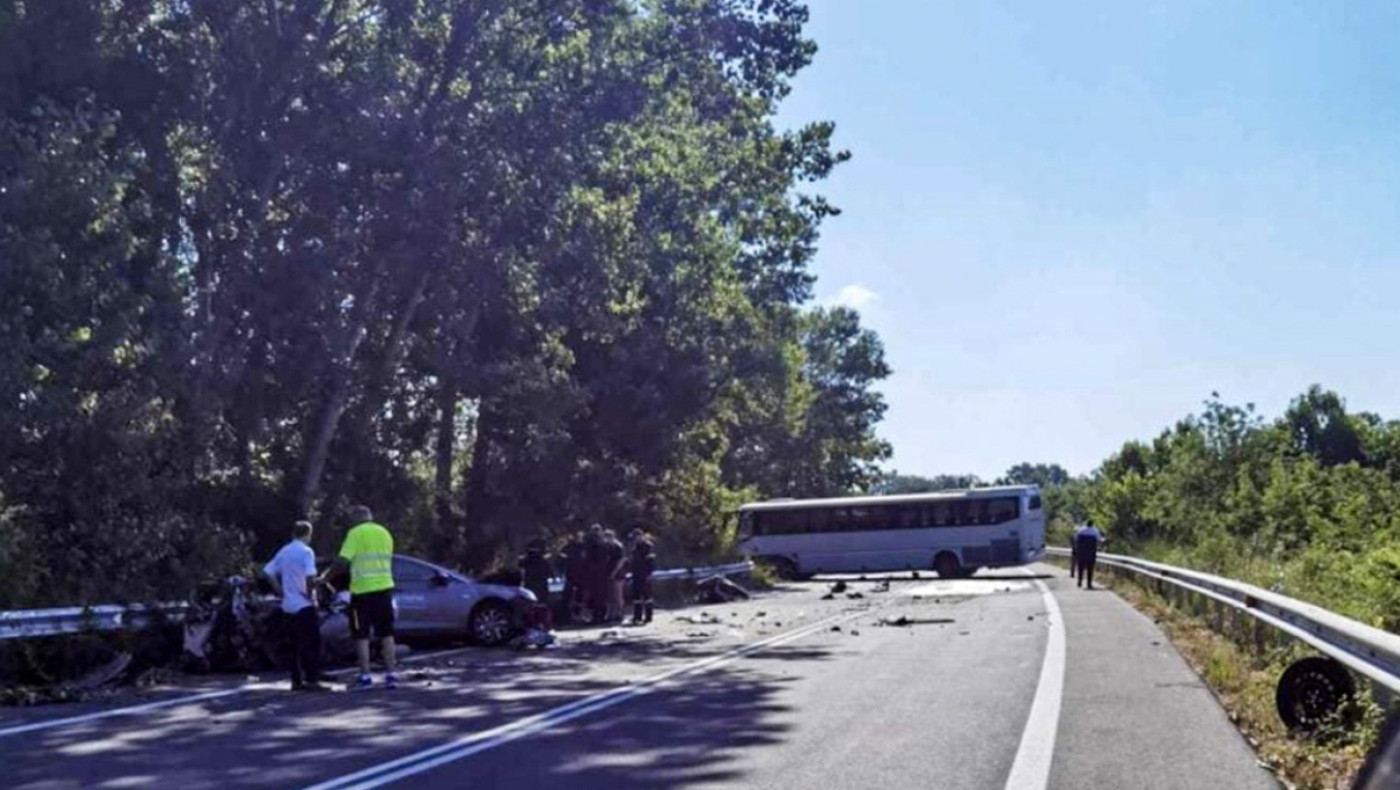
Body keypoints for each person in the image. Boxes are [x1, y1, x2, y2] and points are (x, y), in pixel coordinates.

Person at [328, 505, 398, 690]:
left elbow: (343, 561)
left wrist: (325, 577)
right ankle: (391, 674)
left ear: (357, 518)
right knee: (387, 633)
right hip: (384, 589)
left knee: (361, 635)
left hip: (362, 591)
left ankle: (365, 677)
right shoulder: (385, 533)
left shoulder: (355, 533)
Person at [262, 520, 327, 691]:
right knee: (311, 643)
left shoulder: (284, 551)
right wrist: (311, 592)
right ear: (308, 534)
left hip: (287, 604)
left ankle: (296, 679)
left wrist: (279, 589)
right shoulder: (306, 551)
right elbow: (310, 577)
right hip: (303, 603)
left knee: (293, 645)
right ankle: (312, 679)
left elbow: (267, 571)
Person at [628, 529, 656, 625]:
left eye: (636, 537)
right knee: (636, 597)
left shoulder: (647, 546)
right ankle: (637, 616)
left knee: (647, 596)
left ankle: (648, 616)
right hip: (636, 574)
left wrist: (650, 574)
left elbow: (651, 562)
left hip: (645, 574)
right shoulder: (635, 547)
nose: (635, 539)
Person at [519, 539, 553, 608]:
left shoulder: (527, 560)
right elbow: (549, 572)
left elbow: (520, 565)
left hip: (531, 583)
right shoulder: (542, 561)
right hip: (539, 584)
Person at [1073, 520, 1106, 590]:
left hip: (1081, 551)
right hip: (1091, 552)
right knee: (1090, 568)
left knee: (1080, 567)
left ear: (1086, 524)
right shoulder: (1095, 531)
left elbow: (1076, 538)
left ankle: (1079, 581)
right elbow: (1099, 539)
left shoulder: (1081, 530)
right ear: (1092, 524)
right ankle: (1089, 583)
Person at [604, 529, 627, 623]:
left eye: (608, 537)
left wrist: (614, 572)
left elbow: (622, 560)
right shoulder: (608, 547)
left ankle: (620, 614)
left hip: (618, 574)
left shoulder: (618, 546)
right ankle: (611, 614)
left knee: (618, 595)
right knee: (610, 596)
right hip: (608, 573)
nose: (607, 539)